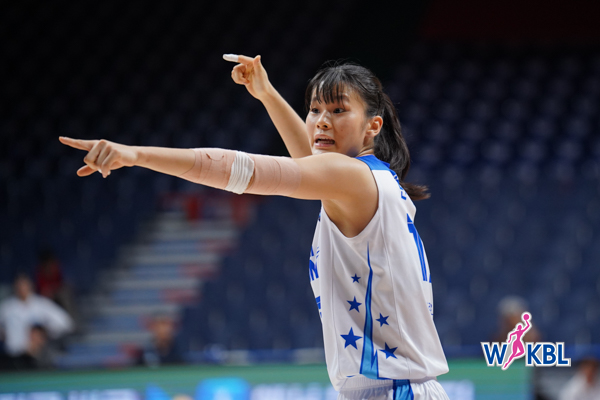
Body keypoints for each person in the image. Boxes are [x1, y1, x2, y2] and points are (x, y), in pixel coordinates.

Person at [60, 54, 449, 399]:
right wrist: (267, 94)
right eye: (315, 109)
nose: (321, 121)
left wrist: (136, 154)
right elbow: (311, 158)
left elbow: (241, 169)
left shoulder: (353, 178)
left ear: (372, 126)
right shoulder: (368, 179)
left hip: (396, 391)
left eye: (338, 110)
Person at [0, 274, 74, 358]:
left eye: (24, 285)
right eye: (19, 286)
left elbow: (66, 323)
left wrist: (45, 332)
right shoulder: (7, 307)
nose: (22, 288)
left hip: (38, 356)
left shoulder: (42, 304)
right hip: (13, 355)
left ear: (30, 286)